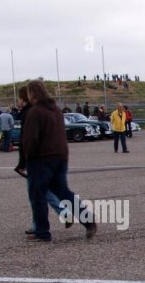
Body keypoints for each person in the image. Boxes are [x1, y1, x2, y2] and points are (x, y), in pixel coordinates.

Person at [21, 80, 96, 242]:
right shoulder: (56, 110)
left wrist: (28, 156)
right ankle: (88, 221)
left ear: (32, 93)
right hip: (60, 157)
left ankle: (42, 232)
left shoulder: (35, 112)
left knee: (38, 195)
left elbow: (30, 139)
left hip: (41, 159)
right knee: (64, 192)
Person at [14, 85, 62, 235]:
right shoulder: (45, 110)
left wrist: (23, 163)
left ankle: (43, 225)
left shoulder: (30, 113)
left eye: (19, 98)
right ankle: (39, 225)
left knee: (37, 194)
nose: (18, 101)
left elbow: (26, 141)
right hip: (47, 157)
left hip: (37, 160)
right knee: (39, 193)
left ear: (24, 98)